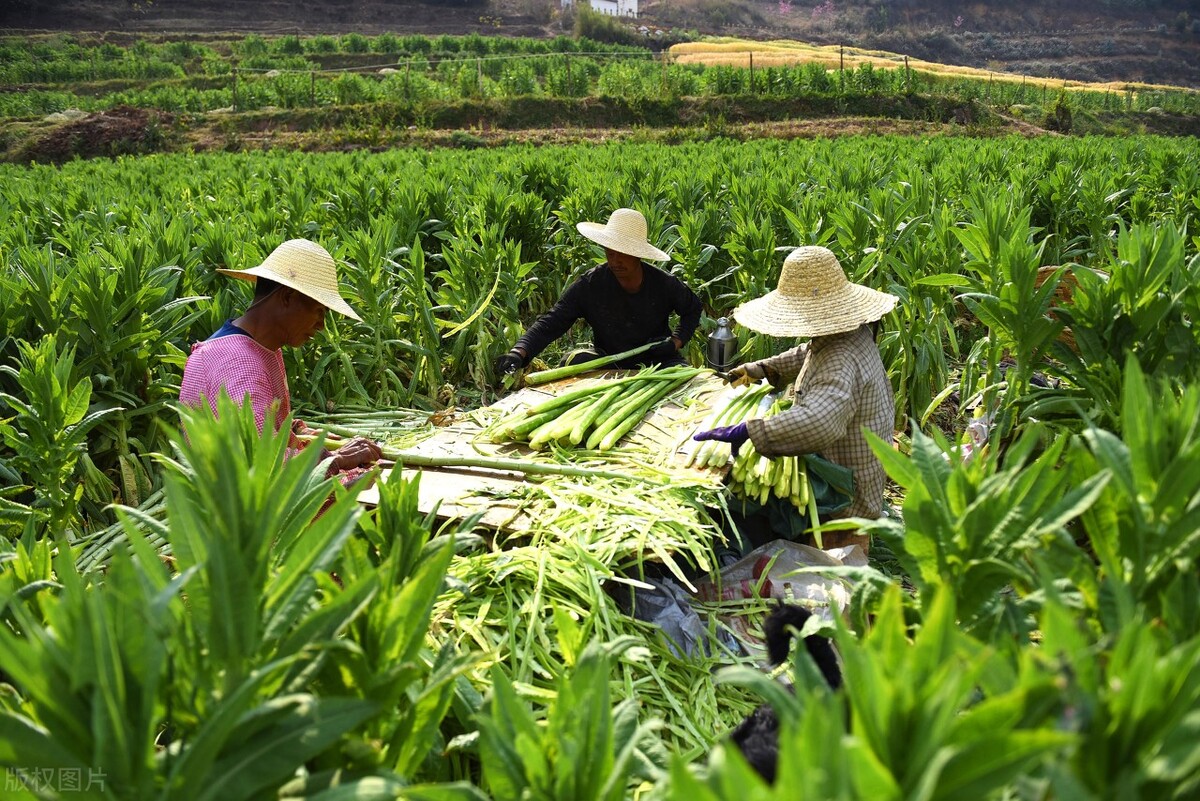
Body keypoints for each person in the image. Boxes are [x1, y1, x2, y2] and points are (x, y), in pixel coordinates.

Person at [693, 245, 898, 551]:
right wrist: (762, 369)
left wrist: (752, 430)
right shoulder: (847, 334)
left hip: (843, 496)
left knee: (744, 513)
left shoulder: (841, 360)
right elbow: (807, 354)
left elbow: (818, 423)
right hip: (851, 471)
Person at [179, 238, 382, 475]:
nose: (321, 325)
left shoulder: (259, 347)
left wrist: (298, 432)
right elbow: (260, 463)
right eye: (319, 311)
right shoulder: (238, 364)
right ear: (287, 297)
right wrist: (336, 459)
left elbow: (261, 427)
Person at [494, 208, 703, 377]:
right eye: (610, 252)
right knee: (573, 363)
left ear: (638, 254)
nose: (614, 261)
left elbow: (693, 309)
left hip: (657, 359)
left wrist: (675, 342)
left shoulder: (663, 283)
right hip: (608, 360)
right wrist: (519, 352)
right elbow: (553, 320)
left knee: (685, 380)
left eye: (622, 253)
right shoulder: (591, 284)